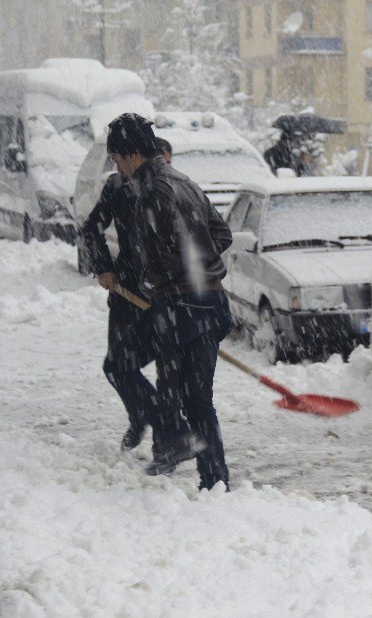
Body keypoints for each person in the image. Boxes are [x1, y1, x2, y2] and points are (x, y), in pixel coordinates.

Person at [101, 113, 234, 491]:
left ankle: (173, 433)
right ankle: (215, 480)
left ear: (130, 155)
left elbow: (166, 252)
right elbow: (221, 234)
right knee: (197, 397)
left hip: (179, 307)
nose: (118, 169)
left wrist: (154, 278)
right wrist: (202, 269)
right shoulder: (184, 181)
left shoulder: (152, 192)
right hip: (212, 302)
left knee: (119, 364)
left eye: (116, 160)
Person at [81, 137, 174, 453]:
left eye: (167, 163)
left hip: (165, 295)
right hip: (127, 290)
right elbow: (91, 227)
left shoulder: (173, 190)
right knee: (119, 367)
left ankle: (166, 442)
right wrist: (103, 267)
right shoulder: (117, 187)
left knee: (167, 371)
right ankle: (141, 416)